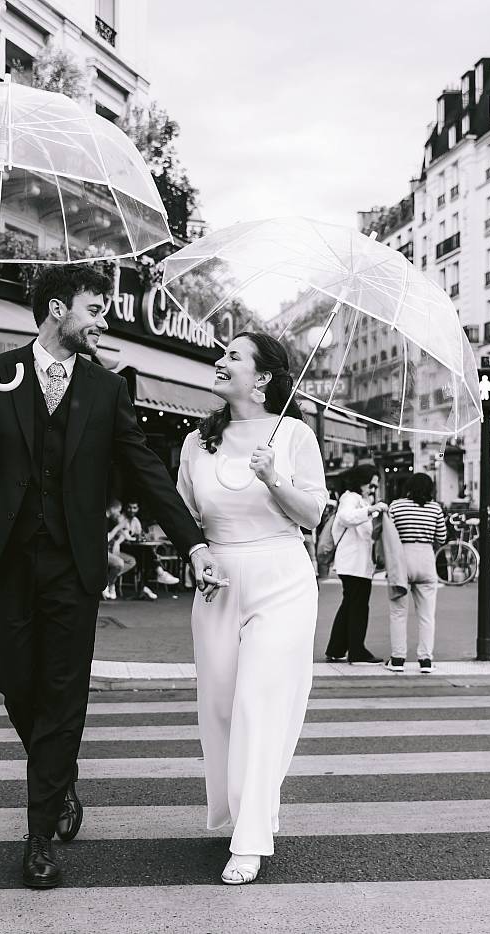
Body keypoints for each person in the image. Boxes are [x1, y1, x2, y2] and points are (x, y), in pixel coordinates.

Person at [0, 265, 216, 890]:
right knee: (14, 681)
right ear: (55, 311)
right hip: (11, 559)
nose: (102, 321)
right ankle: (60, 777)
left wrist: (194, 543)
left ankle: (39, 834)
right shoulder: (0, 369)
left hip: (73, 564)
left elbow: (146, 470)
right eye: (94, 309)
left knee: (64, 696)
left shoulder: (105, 389)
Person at [176, 331, 326, 885]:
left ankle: (250, 838)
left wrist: (273, 477)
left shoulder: (295, 435)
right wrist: (195, 556)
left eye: (233, 357)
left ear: (262, 378)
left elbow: (312, 515)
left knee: (258, 702)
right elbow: (185, 517)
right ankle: (246, 808)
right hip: (218, 580)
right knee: (218, 707)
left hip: (281, 579)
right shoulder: (198, 442)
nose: (220, 360)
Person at [381, 473, 448, 674]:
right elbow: (442, 537)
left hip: (401, 558)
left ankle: (398, 659)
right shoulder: (435, 508)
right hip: (426, 558)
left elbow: (388, 532)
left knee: (398, 612)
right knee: (427, 615)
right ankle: (426, 660)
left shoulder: (396, 506)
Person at [325, 466, 387, 665]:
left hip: (356, 564)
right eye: (371, 484)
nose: (373, 488)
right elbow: (346, 517)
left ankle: (336, 648)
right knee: (358, 607)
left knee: (350, 605)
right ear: (361, 481)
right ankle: (357, 651)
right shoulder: (350, 498)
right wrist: (371, 510)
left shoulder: (359, 500)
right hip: (353, 563)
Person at [124, 500, 181, 593]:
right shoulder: (122, 519)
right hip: (122, 548)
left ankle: (145, 586)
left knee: (145, 556)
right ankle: (158, 574)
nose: (131, 510)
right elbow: (126, 538)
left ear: (138, 509)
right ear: (126, 508)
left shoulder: (135, 520)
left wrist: (139, 537)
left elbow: (140, 535)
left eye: (134, 508)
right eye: (130, 507)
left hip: (135, 549)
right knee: (146, 554)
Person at [103, 499, 139, 600]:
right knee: (119, 563)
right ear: (113, 509)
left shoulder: (111, 520)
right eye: (118, 511)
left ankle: (110, 580)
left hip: (110, 549)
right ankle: (108, 583)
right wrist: (118, 527)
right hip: (100, 552)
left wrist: (119, 540)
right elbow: (105, 540)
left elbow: (124, 534)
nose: (119, 514)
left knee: (131, 560)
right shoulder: (103, 519)